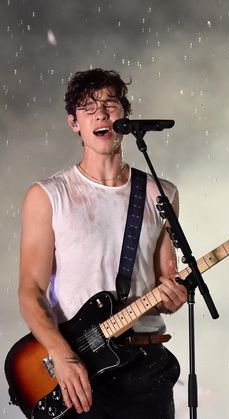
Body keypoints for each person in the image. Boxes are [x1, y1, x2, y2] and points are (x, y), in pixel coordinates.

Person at [18, 68, 187, 419]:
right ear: (74, 123)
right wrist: (61, 356)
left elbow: (166, 285)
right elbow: (30, 290)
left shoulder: (161, 192)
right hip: (82, 368)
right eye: (88, 107)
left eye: (110, 104)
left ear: (124, 115)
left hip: (149, 367)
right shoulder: (48, 195)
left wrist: (174, 297)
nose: (101, 114)